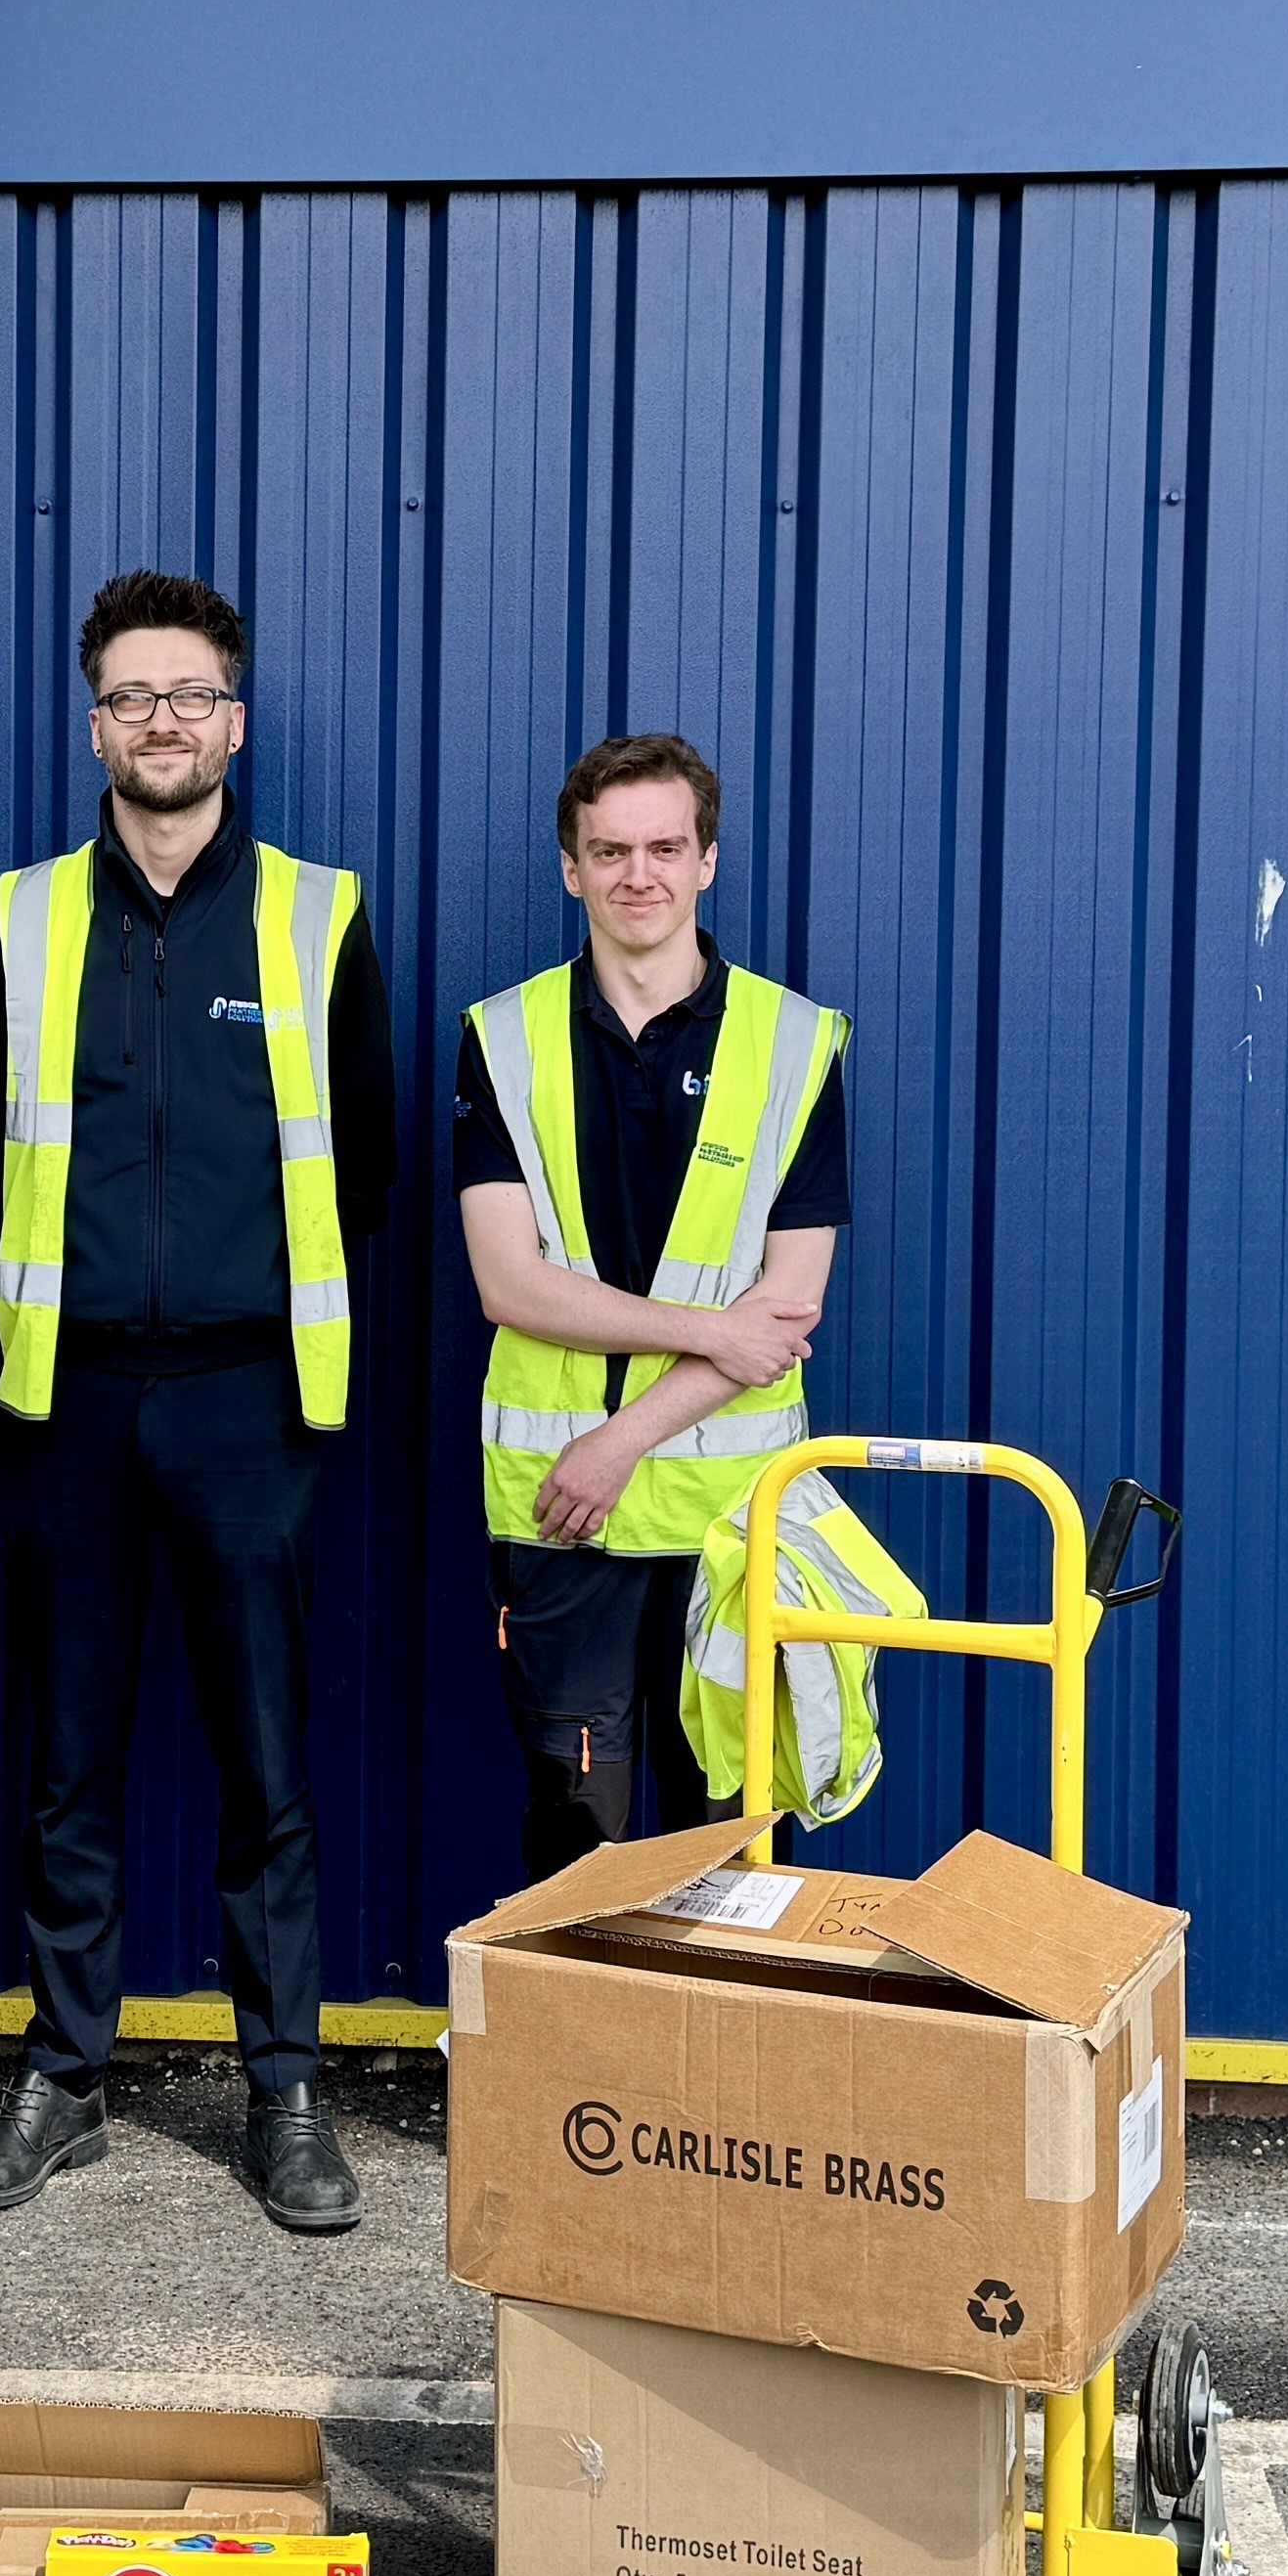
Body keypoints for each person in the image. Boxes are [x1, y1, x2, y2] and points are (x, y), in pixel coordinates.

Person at [0, 572, 398, 2235]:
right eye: (131, 695)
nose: (162, 721)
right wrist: (7, 1386)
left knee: (264, 1756)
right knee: (70, 1755)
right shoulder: (26, 915)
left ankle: (284, 2090)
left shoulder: (314, 915)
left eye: (190, 694)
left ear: (236, 721)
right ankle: (64, 2076)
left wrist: (290, 1370)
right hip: (66, 1409)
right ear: (93, 723)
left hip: (246, 1404)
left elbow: (366, 1166)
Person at [454, 732, 851, 1874]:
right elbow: (507, 1283)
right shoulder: (506, 1036)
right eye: (610, 850)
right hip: (561, 1516)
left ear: (707, 861)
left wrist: (621, 1441)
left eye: (666, 847)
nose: (641, 874)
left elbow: (789, 1307)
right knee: (578, 1826)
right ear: (571, 870)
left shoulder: (795, 1044)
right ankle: (587, 2059)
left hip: (730, 1515)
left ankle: (717, 2062)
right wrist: (711, 1332)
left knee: (733, 1829)